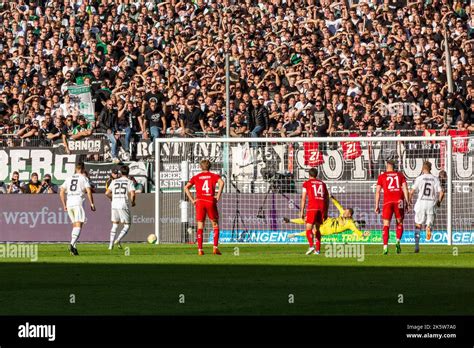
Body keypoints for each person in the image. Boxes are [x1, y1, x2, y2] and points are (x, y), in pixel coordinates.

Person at [184, 159, 224, 256]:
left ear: (200, 167)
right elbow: (221, 183)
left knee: (200, 226)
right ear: (210, 166)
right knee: (215, 225)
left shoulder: (196, 177)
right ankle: (215, 248)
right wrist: (218, 195)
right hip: (210, 200)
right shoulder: (214, 176)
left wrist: (192, 200)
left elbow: (186, 187)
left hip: (200, 202)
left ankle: (200, 250)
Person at [288, 195, 370, 239]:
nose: (344, 211)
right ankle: (290, 220)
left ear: (349, 215)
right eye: (345, 210)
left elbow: (356, 231)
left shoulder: (350, 223)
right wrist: (332, 197)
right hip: (327, 221)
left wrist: (363, 235)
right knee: (309, 219)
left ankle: (295, 234)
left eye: (346, 212)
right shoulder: (343, 212)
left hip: (328, 229)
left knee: (313, 231)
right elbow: (338, 205)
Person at [59, 163, 96, 256]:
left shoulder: (68, 178)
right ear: (83, 169)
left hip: (69, 202)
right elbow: (88, 191)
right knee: (79, 225)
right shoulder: (84, 178)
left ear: (75, 169)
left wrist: (64, 204)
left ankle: (74, 249)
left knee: (75, 225)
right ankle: (71, 244)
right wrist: (92, 203)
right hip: (78, 202)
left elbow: (61, 191)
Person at [374, 160, 410, 255]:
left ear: (387, 166)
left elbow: (377, 192)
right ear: (394, 166)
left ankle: (385, 247)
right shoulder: (400, 175)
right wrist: (408, 203)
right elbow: (405, 189)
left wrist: (376, 205)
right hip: (399, 201)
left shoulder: (382, 176)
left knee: (386, 225)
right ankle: (397, 241)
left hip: (388, 202)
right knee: (400, 223)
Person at [409, 161, 444, 253]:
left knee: (418, 225)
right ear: (430, 169)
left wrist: (409, 201)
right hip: (431, 204)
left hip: (421, 203)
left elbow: (411, 192)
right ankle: (428, 227)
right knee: (429, 223)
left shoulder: (419, 178)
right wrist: (439, 202)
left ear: (422, 168)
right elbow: (441, 192)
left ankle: (417, 246)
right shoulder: (435, 179)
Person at [299, 167, 329, 255]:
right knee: (317, 229)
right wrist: (326, 211)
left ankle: (311, 246)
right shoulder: (323, 184)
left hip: (312, 207)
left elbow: (303, 198)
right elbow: (327, 198)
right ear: (316, 175)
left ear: (309, 175)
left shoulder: (306, 183)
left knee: (308, 228)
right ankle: (318, 250)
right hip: (321, 207)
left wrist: (302, 211)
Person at [105, 165, 136, 250]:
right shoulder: (129, 182)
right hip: (123, 204)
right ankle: (118, 240)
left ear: (121, 173)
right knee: (127, 225)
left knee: (114, 224)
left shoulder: (114, 181)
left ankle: (110, 246)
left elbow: (107, 193)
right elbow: (133, 194)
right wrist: (133, 202)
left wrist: (112, 198)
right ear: (128, 172)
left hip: (114, 204)